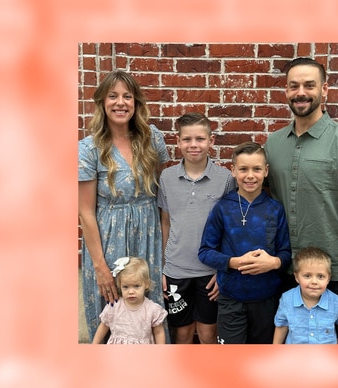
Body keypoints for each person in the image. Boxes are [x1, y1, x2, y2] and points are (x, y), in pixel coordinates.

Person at [263, 57, 338, 342]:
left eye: (309, 85)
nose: (301, 92)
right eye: (294, 86)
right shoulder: (273, 143)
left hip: (333, 273)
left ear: (325, 89)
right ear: (287, 92)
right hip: (285, 269)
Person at [78, 69, 170, 342]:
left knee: (149, 308)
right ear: (102, 103)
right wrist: (100, 267)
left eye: (127, 96)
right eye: (113, 96)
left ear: (136, 102)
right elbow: (85, 211)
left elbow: (164, 197)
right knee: (112, 307)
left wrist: (166, 254)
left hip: (148, 235)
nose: (120, 103)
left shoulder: (152, 139)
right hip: (108, 239)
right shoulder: (89, 148)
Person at [198, 142, 291, 344]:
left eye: (257, 169)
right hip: (231, 299)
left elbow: (286, 252)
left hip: (267, 299)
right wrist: (233, 262)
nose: (250, 175)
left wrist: (274, 262)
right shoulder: (222, 208)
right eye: (243, 169)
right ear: (233, 171)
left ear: (266, 171)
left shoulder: (275, 208)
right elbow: (205, 251)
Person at [158, 112, 235, 344]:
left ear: (211, 141)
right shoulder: (167, 177)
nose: (194, 145)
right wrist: (164, 265)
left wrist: (222, 270)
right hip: (176, 271)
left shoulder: (224, 179)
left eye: (200, 139)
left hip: (209, 272)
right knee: (181, 332)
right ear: (178, 141)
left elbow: (230, 229)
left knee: (208, 332)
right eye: (187, 139)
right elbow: (166, 222)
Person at [273, 247, 338, 344]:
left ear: (328, 279)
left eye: (320, 276)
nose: (314, 282)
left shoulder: (335, 301)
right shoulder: (287, 299)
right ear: (297, 277)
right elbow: (281, 326)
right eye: (307, 276)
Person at [92, 257, 168, 344]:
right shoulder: (114, 306)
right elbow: (103, 326)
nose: (131, 292)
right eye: (125, 287)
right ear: (119, 286)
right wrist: (94, 344)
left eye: (136, 286)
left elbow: (158, 332)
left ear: (146, 284)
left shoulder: (152, 309)